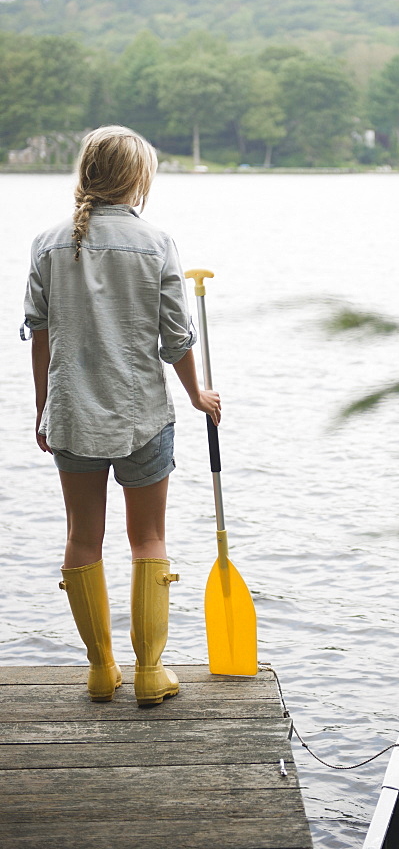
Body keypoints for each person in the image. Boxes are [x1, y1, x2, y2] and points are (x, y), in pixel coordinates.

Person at [22, 125, 220, 706]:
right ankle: (150, 674)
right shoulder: (156, 243)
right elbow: (176, 338)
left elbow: (39, 335)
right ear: (138, 179)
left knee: (83, 539)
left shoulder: (47, 244)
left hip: (74, 416)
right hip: (143, 418)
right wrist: (197, 395)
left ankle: (101, 671)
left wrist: (44, 409)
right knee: (148, 538)